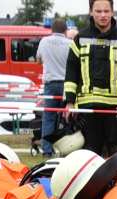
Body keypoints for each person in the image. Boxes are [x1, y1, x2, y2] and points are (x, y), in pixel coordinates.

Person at [63, 0, 117, 165]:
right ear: (90, 12)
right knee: (89, 160)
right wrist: (69, 103)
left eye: (106, 11)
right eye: (98, 11)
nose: (103, 15)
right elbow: (71, 73)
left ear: (112, 12)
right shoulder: (80, 39)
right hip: (87, 110)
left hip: (116, 111)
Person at [36, 19, 73, 158]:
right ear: (65, 31)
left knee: (49, 117)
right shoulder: (70, 43)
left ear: (51, 30)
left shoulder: (44, 42)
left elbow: (38, 60)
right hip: (67, 84)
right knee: (67, 118)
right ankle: (68, 148)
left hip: (50, 84)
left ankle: (47, 150)